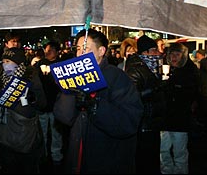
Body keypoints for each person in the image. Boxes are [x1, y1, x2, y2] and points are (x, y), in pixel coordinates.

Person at [53, 28, 144, 174]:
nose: (80, 53)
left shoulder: (117, 77)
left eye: (86, 49)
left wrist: (94, 106)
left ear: (101, 51)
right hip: (77, 158)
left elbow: (129, 123)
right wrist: (68, 91)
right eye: (78, 49)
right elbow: (64, 117)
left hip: (108, 161)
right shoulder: (75, 78)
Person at [0, 47, 47, 174]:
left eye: (8, 61)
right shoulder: (1, 78)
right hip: (5, 133)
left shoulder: (30, 77)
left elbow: (42, 103)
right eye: (3, 61)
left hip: (24, 132)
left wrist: (31, 98)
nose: (5, 65)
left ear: (18, 63)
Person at [125, 35, 166, 174]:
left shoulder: (152, 67)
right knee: (145, 161)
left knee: (152, 159)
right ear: (145, 53)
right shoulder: (134, 70)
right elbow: (133, 97)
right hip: (143, 124)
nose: (157, 53)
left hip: (153, 121)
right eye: (154, 50)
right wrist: (154, 89)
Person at [159, 42, 199, 175]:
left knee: (179, 152)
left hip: (180, 119)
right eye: (172, 54)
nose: (175, 57)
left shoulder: (190, 71)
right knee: (163, 150)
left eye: (178, 54)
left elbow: (191, 94)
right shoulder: (166, 69)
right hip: (165, 119)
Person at [34, 41, 65, 171]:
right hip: (42, 105)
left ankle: (56, 156)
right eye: (46, 50)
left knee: (56, 134)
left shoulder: (61, 66)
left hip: (56, 105)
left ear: (57, 52)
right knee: (42, 133)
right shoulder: (38, 65)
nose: (48, 52)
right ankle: (44, 155)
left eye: (51, 50)